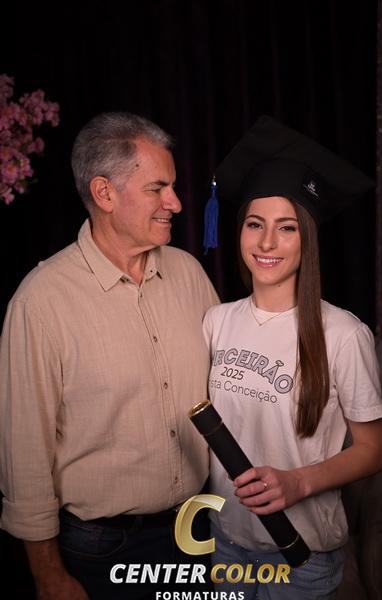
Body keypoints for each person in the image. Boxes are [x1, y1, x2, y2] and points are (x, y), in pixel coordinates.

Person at [0, 111, 219, 600]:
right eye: (157, 189)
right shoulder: (41, 302)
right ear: (104, 193)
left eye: (173, 187)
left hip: (202, 530)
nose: (176, 203)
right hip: (104, 552)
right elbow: (25, 452)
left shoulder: (188, 273)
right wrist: (48, 575)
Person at [202, 116, 382, 599]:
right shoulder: (216, 322)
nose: (267, 243)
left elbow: (374, 450)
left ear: (307, 238)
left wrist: (299, 483)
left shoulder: (343, 333)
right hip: (225, 543)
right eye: (255, 225)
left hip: (301, 556)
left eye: (286, 228)